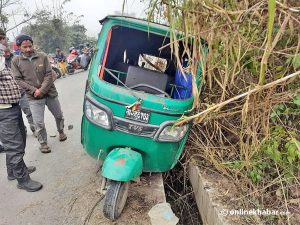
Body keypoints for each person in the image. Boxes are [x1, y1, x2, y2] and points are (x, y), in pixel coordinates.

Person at [0, 29, 42, 192]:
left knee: (20, 136)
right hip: (3, 110)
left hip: (13, 106)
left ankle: (13, 171)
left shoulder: (6, 58)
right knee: (14, 145)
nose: (3, 42)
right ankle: (22, 180)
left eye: (3, 38)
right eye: (1, 39)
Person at [11, 34, 67, 154]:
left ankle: (61, 131)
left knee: (58, 115)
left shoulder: (42, 56)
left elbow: (49, 74)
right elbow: (18, 79)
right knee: (39, 123)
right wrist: (33, 90)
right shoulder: (16, 61)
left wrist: (41, 89)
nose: (28, 49)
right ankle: (43, 143)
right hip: (33, 97)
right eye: (25, 47)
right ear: (19, 47)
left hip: (50, 93)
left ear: (32, 44)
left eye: (30, 46)